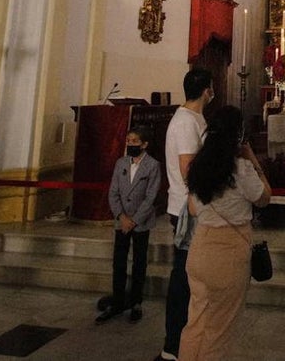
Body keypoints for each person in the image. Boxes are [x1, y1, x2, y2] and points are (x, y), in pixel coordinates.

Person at [178, 105, 271, 359]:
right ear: (237, 134)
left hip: (200, 248)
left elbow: (193, 209)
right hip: (228, 253)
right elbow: (264, 197)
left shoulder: (198, 166)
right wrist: (254, 161)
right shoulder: (240, 168)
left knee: (195, 324)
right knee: (219, 331)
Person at [155, 68, 214, 361]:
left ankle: (188, 339)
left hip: (194, 206)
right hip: (187, 209)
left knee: (192, 275)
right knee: (183, 277)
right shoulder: (185, 122)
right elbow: (188, 169)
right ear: (206, 91)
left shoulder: (194, 119)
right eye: (211, 88)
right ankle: (173, 344)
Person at [97, 124, 161, 324]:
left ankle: (136, 302)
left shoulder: (153, 165)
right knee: (119, 261)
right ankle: (117, 300)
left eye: (135, 141)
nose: (130, 144)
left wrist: (134, 220)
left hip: (140, 222)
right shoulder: (121, 163)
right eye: (128, 141)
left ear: (144, 144)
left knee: (139, 261)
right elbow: (113, 192)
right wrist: (121, 216)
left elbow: (151, 197)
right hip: (122, 221)